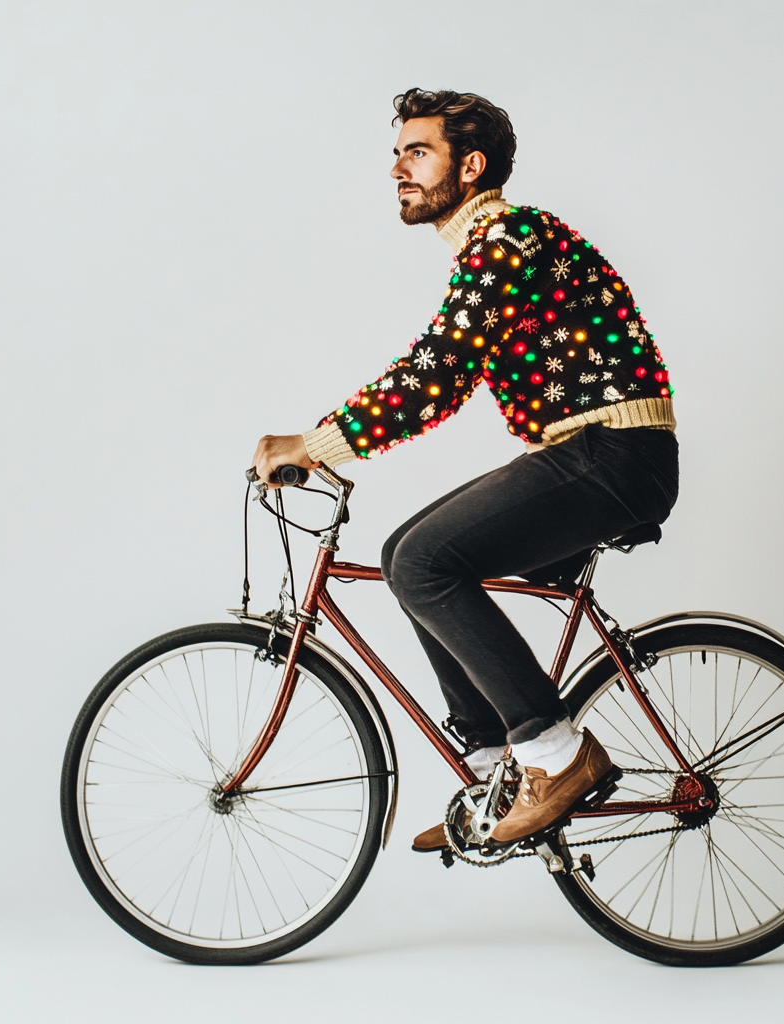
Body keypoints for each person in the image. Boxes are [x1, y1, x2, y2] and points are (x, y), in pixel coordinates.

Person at [251, 88, 678, 852]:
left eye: (417, 152)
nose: (396, 170)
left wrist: (314, 444)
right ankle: (493, 774)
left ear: (470, 166)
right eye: (396, 154)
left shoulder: (506, 238)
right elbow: (439, 371)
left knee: (423, 562)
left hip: (613, 454)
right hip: (594, 452)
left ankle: (557, 756)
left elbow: (435, 377)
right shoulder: (491, 243)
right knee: (404, 556)